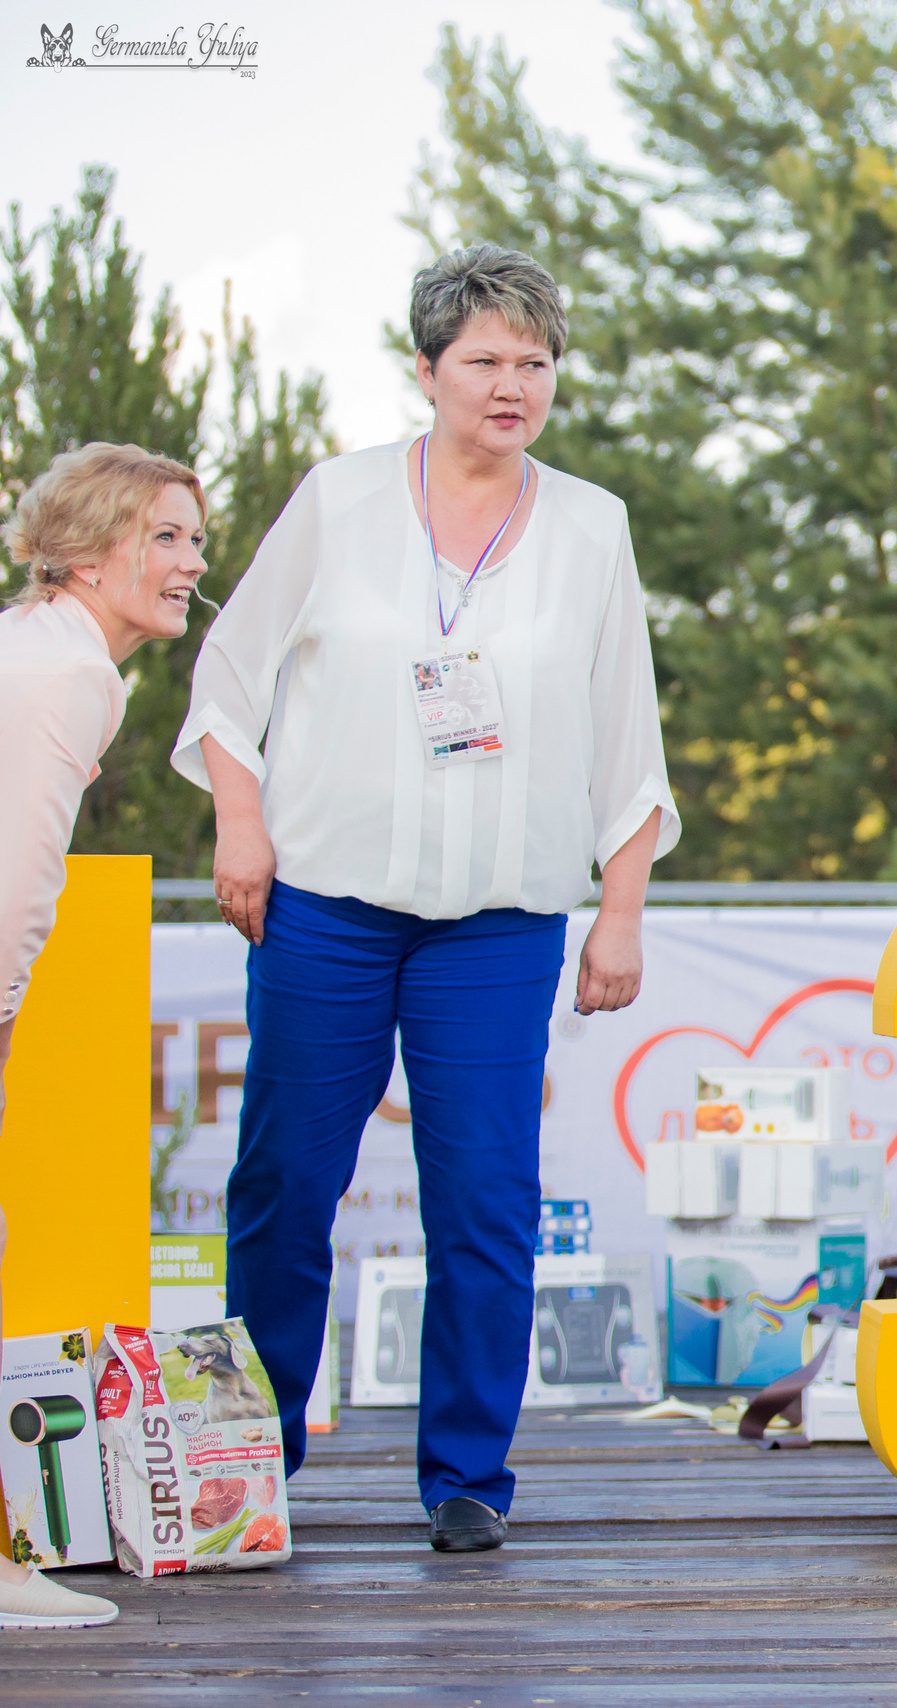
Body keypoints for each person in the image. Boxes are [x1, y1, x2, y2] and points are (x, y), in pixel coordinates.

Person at [173, 245, 680, 1554]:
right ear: (427, 370)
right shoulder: (339, 499)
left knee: (486, 1200)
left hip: (500, 925)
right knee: (286, 1184)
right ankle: (258, 1458)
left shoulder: (592, 525)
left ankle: (466, 1474)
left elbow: (625, 734)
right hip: (325, 906)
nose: (513, 386)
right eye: (485, 360)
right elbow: (229, 677)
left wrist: (619, 909)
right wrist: (241, 823)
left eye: (535, 363)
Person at [0, 442, 209, 1627]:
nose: (191, 561)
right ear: (82, 554)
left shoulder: (41, 648)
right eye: (162, 536)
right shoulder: (65, 674)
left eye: (195, 537)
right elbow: (18, 877)